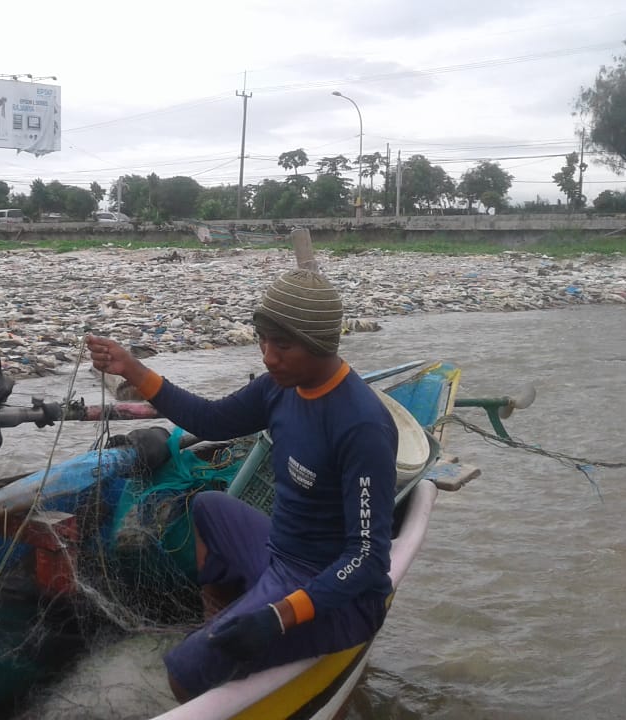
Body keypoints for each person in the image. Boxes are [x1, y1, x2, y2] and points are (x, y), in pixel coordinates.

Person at [85, 268, 399, 701]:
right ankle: (224, 620)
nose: (268, 358)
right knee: (209, 506)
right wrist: (135, 370)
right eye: (263, 341)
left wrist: (280, 616)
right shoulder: (279, 389)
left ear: (321, 344)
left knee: (184, 671)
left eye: (283, 346)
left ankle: (236, 646)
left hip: (335, 595)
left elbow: (366, 559)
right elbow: (210, 420)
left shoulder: (360, 426)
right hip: (278, 554)